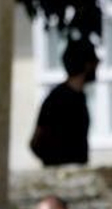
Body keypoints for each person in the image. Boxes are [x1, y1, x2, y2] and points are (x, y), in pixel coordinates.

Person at [30, 37, 97, 167]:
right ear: (87, 64)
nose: (97, 64)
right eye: (94, 61)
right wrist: (56, 163)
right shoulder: (57, 100)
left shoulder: (77, 97)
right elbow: (36, 142)